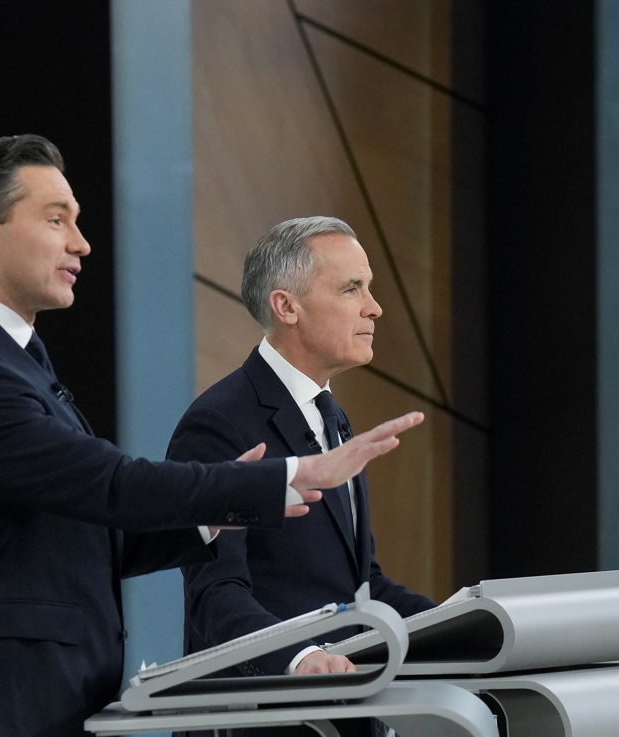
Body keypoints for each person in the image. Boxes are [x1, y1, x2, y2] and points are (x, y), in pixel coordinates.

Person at [0, 136, 422, 737]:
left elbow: (87, 537)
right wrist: (280, 479)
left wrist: (213, 515)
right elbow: (112, 485)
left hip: (45, 697)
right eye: (56, 219)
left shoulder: (12, 362)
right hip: (1, 702)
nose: (81, 243)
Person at [168, 217, 436, 736]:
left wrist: (468, 623)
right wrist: (300, 657)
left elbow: (362, 584)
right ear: (287, 307)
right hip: (263, 721)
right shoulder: (219, 424)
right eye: (351, 289)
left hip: (342, 714)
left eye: (369, 288)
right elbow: (215, 592)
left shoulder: (332, 417)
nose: (374, 307)